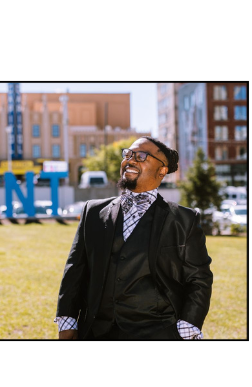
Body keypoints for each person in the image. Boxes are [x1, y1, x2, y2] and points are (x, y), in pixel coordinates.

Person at [55, 137, 213, 340]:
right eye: (128, 154)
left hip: (159, 333)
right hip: (97, 332)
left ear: (162, 170)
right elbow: (74, 270)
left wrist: (187, 327)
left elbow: (199, 278)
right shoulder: (93, 212)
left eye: (141, 156)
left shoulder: (184, 219)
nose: (130, 160)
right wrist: (67, 321)